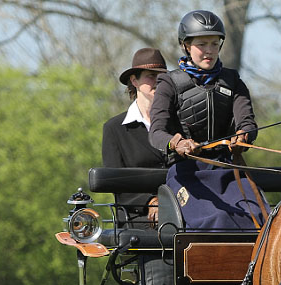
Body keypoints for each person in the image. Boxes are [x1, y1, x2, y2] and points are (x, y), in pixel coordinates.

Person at [148, 9, 269, 231]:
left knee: (261, 219)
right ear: (186, 45)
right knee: (218, 219)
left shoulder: (233, 81)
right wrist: (177, 143)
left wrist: (244, 136)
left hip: (227, 170)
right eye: (202, 44)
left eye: (215, 44)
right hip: (186, 173)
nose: (209, 51)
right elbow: (156, 132)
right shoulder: (169, 83)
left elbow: (248, 123)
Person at [102, 47, 168, 224]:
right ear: (134, 81)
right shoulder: (114, 129)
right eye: (150, 76)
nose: (157, 81)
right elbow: (117, 183)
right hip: (137, 217)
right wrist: (150, 202)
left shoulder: (178, 124)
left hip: (181, 210)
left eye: (161, 77)